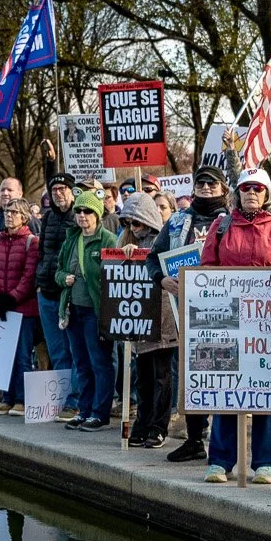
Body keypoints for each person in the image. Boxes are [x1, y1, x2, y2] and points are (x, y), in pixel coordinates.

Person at [198, 167, 271, 483]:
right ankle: (219, 461)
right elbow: (207, 269)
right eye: (246, 188)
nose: (252, 193)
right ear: (238, 192)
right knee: (225, 389)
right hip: (226, 321)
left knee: (266, 390)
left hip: (266, 325)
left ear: (266, 193)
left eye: (258, 188)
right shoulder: (221, 226)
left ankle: (266, 463)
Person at [158, 165, 234, 462]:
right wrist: (160, 279)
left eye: (212, 184)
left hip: (225, 308)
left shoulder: (232, 219)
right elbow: (155, 258)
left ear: (224, 188)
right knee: (191, 375)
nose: (205, 188)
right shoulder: (178, 220)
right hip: (185, 310)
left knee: (223, 371)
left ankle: (224, 443)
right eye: (200, 183)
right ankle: (194, 439)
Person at [114, 191, 176, 448]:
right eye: (128, 223)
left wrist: (142, 253)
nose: (133, 228)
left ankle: (158, 426)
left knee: (162, 374)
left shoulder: (166, 239)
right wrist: (127, 253)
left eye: (136, 222)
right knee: (142, 376)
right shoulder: (126, 241)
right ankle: (142, 421)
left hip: (162, 318)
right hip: (139, 320)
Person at [56, 192, 116, 431]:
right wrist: (64, 279)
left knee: (99, 361)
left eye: (88, 211)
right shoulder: (71, 239)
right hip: (73, 309)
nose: (82, 216)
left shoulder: (108, 240)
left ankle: (100, 412)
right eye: (79, 211)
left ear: (98, 214)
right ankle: (85, 409)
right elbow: (58, 271)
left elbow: (114, 277)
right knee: (80, 362)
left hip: (95, 311)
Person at [0, 200, 43, 415]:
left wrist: (12, 298)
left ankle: (22, 400)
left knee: (23, 356)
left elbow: (29, 276)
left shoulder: (32, 242)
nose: (9, 215)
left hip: (24, 309)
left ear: (24, 217)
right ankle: (7, 397)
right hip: (0, 306)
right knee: (4, 356)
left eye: (14, 212)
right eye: (7, 211)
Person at [34, 173, 82, 379]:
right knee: (56, 351)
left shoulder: (79, 216)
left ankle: (74, 399)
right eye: (54, 190)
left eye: (63, 189)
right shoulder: (48, 217)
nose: (58, 193)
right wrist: (39, 279)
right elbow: (42, 251)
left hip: (68, 292)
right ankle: (61, 397)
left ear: (72, 191)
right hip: (46, 291)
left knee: (73, 349)